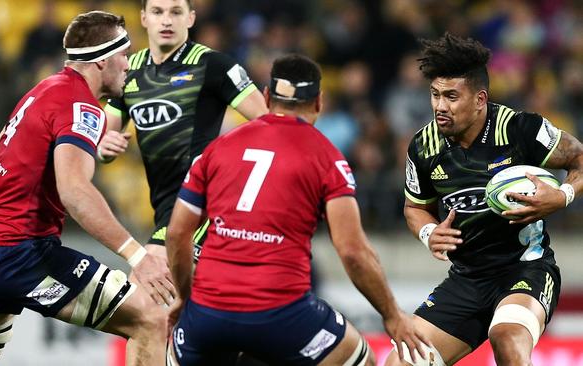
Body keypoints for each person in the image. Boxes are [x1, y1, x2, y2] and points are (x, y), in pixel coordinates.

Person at [0, 11, 173, 366]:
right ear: (102, 60)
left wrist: (4, 231)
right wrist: (138, 256)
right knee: (150, 319)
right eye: (124, 54)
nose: (128, 65)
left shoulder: (43, 89)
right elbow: (74, 192)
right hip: (22, 256)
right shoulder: (83, 108)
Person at [165, 54, 429, 366]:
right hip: (281, 314)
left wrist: (185, 298)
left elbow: (177, 233)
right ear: (319, 101)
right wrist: (392, 314)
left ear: (265, 97)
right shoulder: (328, 158)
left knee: (175, 355)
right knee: (360, 358)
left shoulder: (217, 148)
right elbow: (352, 252)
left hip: (207, 314)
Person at [385, 33, 583, 366]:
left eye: (451, 96)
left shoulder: (520, 129)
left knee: (506, 337)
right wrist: (428, 233)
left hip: (525, 270)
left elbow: (580, 159)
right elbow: (415, 207)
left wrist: (563, 196)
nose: (440, 106)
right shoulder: (423, 146)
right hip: (466, 279)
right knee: (400, 362)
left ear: (479, 99)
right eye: (434, 95)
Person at [100, 0, 268, 261]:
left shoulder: (214, 65)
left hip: (203, 203)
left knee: (146, 286)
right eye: (158, 12)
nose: (166, 20)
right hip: (167, 206)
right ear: (144, 18)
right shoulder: (129, 70)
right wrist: (104, 147)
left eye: (175, 12)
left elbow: (268, 123)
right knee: (188, 297)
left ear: (190, 18)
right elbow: (102, 141)